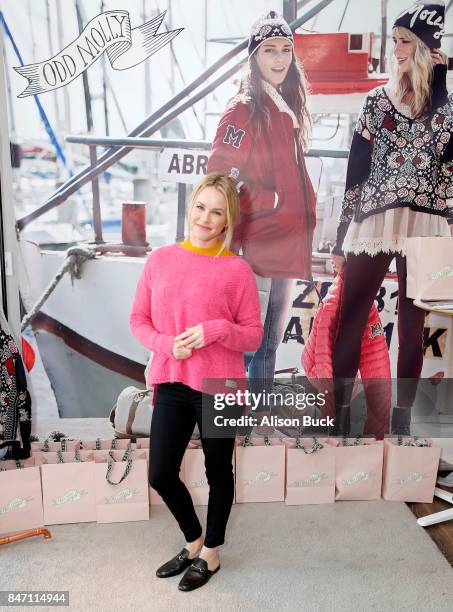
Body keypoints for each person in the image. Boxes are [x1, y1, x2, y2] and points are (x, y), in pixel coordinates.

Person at [129, 173, 263, 592]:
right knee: (161, 473)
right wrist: (169, 345)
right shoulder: (161, 259)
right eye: (201, 207)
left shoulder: (238, 270)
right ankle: (193, 541)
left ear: (227, 222)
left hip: (221, 385)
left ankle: (213, 553)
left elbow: (253, 335)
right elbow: (138, 321)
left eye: (217, 212)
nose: (205, 218)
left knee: (218, 470)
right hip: (171, 379)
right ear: (191, 208)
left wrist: (219, 330)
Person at [331, 2, 453, 435]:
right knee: (351, 317)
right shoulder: (375, 101)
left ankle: (400, 423)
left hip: (425, 223)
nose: (395, 49)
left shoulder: (446, 107)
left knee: (412, 323)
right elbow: (355, 171)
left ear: (423, 47)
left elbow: (447, 162)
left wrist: (439, 82)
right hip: (375, 221)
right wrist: (340, 237)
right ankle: (338, 420)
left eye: (404, 41)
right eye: (396, 40)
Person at [207, 10, 316, 410]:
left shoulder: (283, 108)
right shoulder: (245, 107)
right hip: (258, 244)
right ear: (254, 56)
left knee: (269, 345)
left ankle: (258, 423)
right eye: (269, 49)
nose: (280, 58)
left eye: (286, 50)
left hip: (285, 245)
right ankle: (239, 424)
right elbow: (219, 173)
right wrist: (264, 206)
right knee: (251, 346)